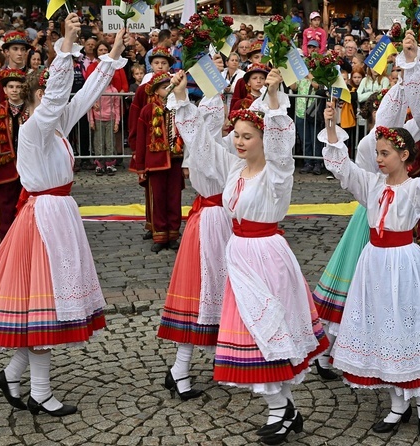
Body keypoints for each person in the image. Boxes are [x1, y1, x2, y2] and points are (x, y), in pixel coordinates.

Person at [172, 68, 328, 444]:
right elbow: (204, 147)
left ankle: (281, 409)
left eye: (247, 136)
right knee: (254, 332)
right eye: (237, 135)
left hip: (266, 255)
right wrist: (181, 101)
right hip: (238, 253)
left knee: (268, 330)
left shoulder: (277, 172)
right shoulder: (235, 170)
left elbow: (280, 142)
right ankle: (285, 408)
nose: (239, 142)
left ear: (263, 139)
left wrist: (273, 100)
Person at [0, 15, 128, 416]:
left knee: (44, 305)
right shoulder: (34, 128)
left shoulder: (55, 128)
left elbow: (83, 97)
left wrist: (113, 54)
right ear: (39, 97)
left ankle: (13, 376)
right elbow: (56, 99)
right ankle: (39, 392)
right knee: (44, 306)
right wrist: (65, 44)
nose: (57, 102)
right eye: (49, 96)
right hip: (45, 220)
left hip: (59, 215)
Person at [321, 35, 420, 435]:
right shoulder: (373, 186)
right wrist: (331, 128)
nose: (378, 159)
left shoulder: (414, 191)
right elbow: (342, 169)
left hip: (403, 260)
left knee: (406, 324)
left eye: (385, 154)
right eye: (377, 153)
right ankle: (397, 401)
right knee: (381, 324)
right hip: (374, 261)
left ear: (405, 157)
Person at [158, 68, 232, 401]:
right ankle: (181, 369)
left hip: (224, 222)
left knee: (223, 294)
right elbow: (193, 122)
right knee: (205, 294)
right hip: (212, 224)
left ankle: (219, 362)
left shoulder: (227, 143)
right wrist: (183, 93)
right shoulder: (204, 148)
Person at [135, 72, 185, 253]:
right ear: (156, 91)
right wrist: (140, 166)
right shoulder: (147, 111)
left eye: (170, 86)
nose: (168, 90)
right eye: (164, 87)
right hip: (155, 162)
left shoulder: (178, 108)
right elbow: (141, 140)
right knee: (157, 199)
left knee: (174, 198)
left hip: (176, 160)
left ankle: (173, 233)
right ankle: (160, 234)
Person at [0, 68, 27, 241]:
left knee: (26, 208)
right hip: (5, 168)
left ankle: (23, 243)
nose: (14, 90)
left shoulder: (30, 110)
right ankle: (5, 244)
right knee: (5, 209)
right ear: (4, 90)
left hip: (28, 168)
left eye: (18, 87)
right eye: (11, 87)